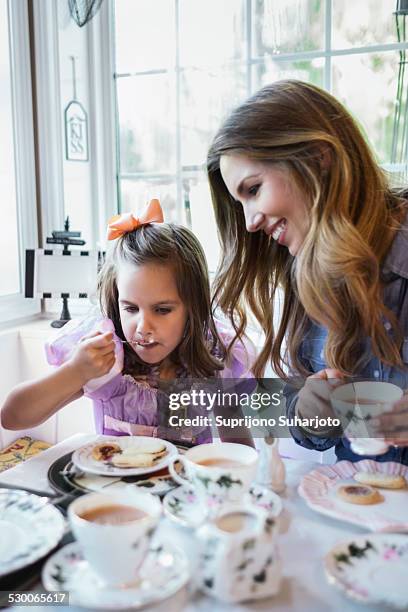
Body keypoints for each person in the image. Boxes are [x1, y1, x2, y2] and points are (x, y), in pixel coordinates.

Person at [207, 79, 408, 464]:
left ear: (318, 158)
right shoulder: (308, 274)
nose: (249, 223)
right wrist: (310, 414)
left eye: (253, 189)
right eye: (240, 204)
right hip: (358, 508)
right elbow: (307, 428)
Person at [1, 200, 254, 446]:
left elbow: (238, 445)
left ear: (193, 307)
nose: (143, 327)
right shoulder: (106, 361)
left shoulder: (213, 360)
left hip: (187, 488)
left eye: (162, 309)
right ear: (116, 299)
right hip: (115, 487)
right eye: (131, 308)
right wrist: (76, 371)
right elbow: (12, 417)